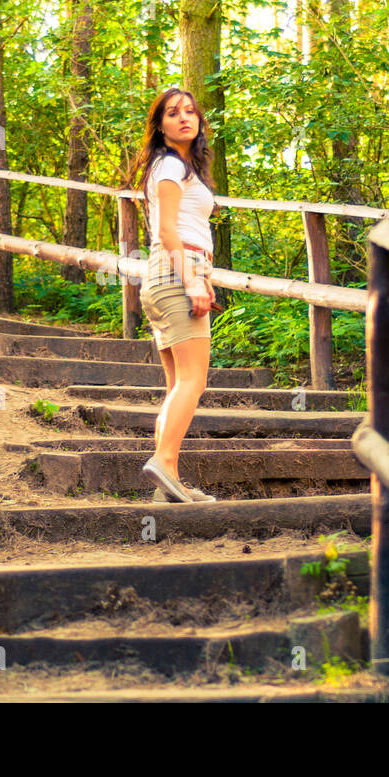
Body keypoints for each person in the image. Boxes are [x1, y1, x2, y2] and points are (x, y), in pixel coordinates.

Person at [132, 88, 220, 504]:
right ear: (160, 125)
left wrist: (202, 276)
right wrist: (191, 280)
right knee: (193, 380)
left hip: (168, 275)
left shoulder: (180, 166)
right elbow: (168, 232)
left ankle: (169, 485)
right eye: (172, 112)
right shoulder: (169, 165)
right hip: (174, 275)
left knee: (176, 386)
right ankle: (164, 462)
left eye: (190, 111)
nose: (184, 117)